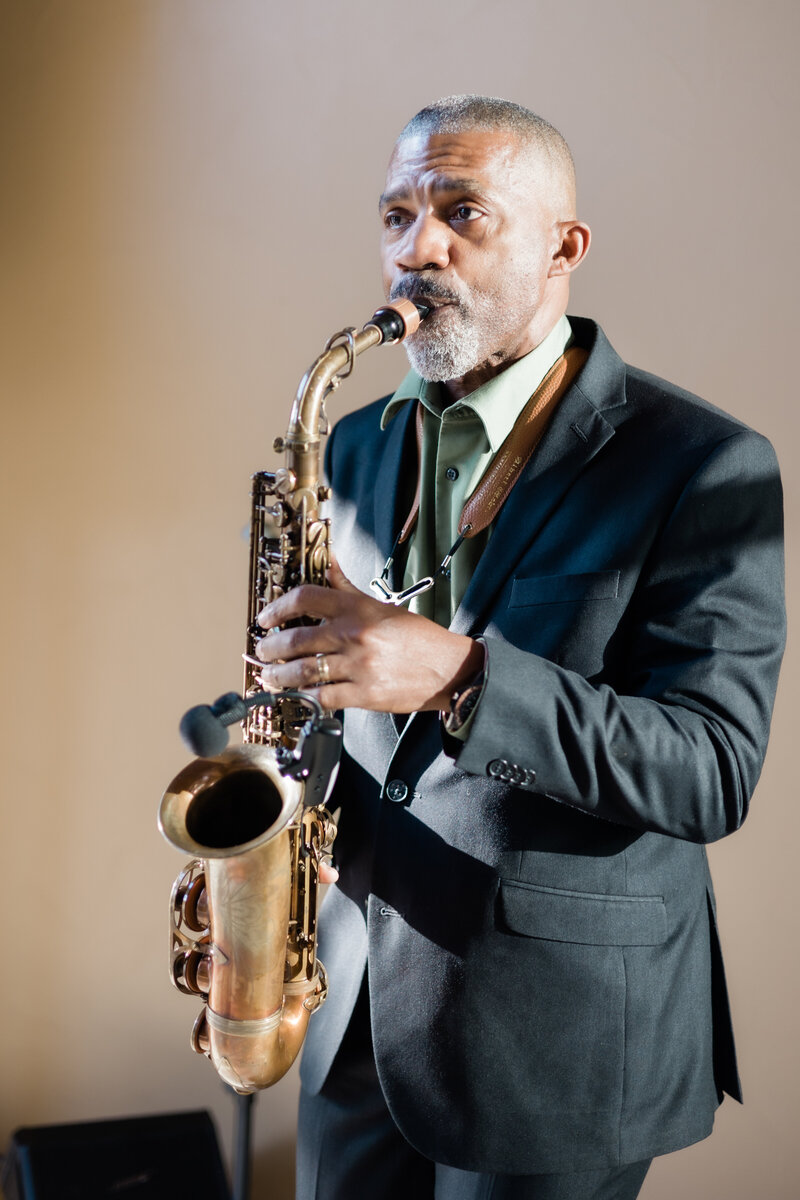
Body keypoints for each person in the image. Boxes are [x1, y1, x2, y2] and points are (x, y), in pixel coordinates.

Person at [255, 96, 785, 1200]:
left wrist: (455, 676)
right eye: (396, 214)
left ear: (563, 246)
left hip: (558, 1035)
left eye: (461, 212)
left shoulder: (702, 464)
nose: (417, 248)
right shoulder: (353, 442)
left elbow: (708, 770)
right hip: (349, 1008)